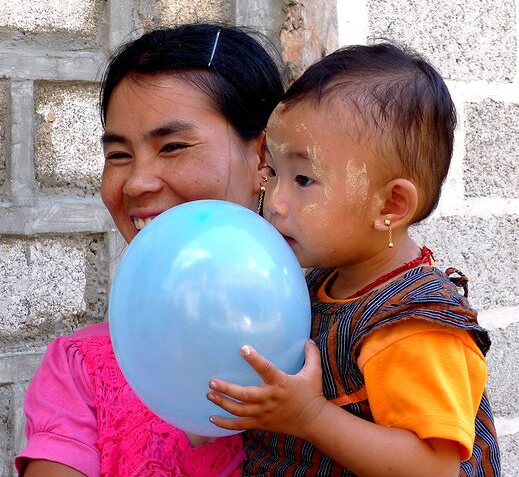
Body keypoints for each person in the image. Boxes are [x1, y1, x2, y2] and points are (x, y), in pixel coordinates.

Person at [207, 43, 501, 475]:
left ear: (390, 206)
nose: (275, 201)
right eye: (273, 173)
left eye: (304, 179)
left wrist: (311, 417)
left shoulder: (412, 326)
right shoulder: (316, 283)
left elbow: (433, 468)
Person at [15, 23, 285, 476]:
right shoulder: (81, 370)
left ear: (262, 158)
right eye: (119, 155)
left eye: (173, 146)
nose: (137, 182)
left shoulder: (353, 341)